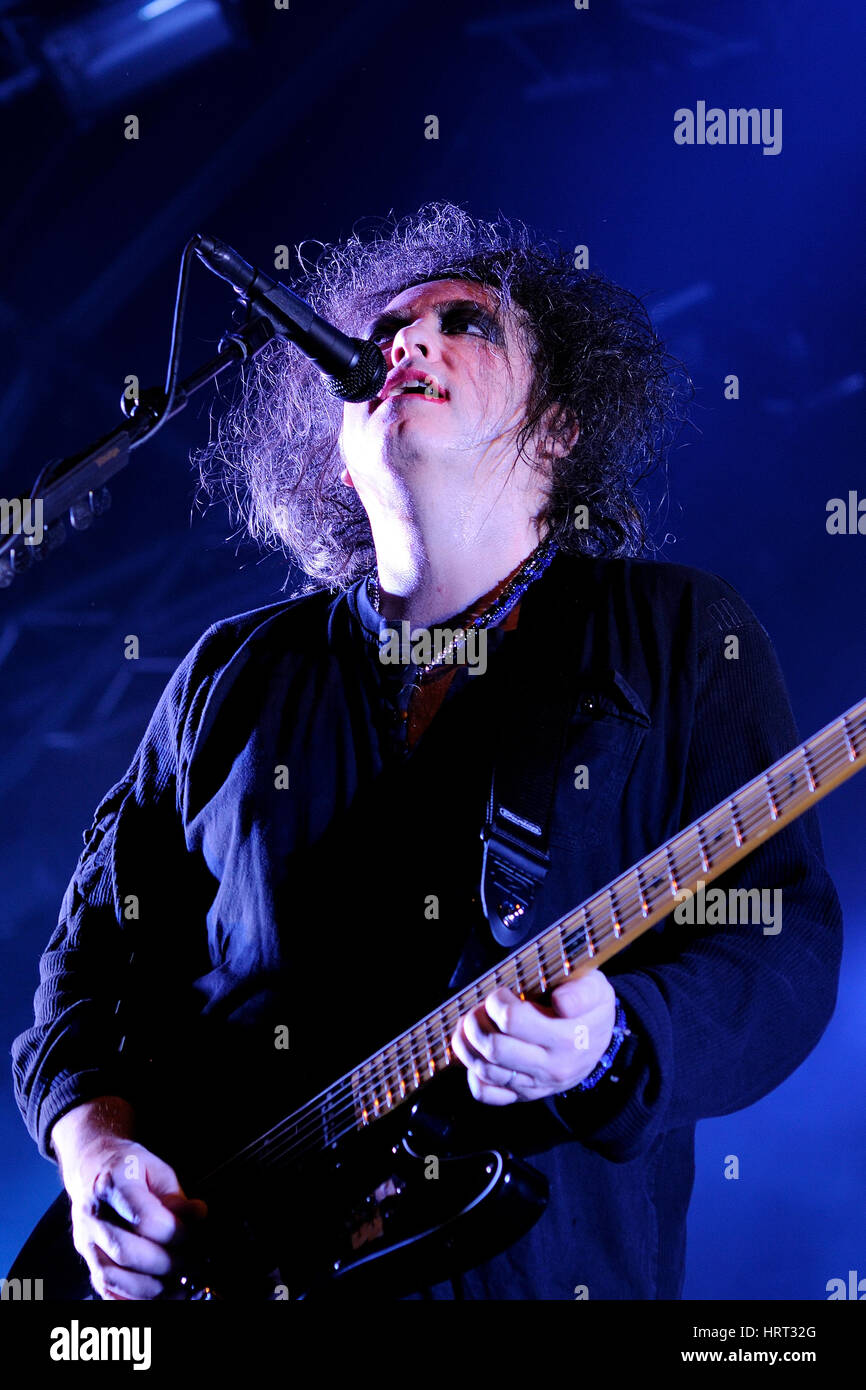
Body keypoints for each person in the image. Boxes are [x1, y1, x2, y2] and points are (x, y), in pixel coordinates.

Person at [11, 201, 842, 1301]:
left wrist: (614, 1038)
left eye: (467, 325)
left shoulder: (677, 633)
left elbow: (778, 941)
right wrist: (94, 1147)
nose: (406, 343)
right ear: (339, 457)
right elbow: (89, 967)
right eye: (391, 328)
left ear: (558, 429)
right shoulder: (231, 671)